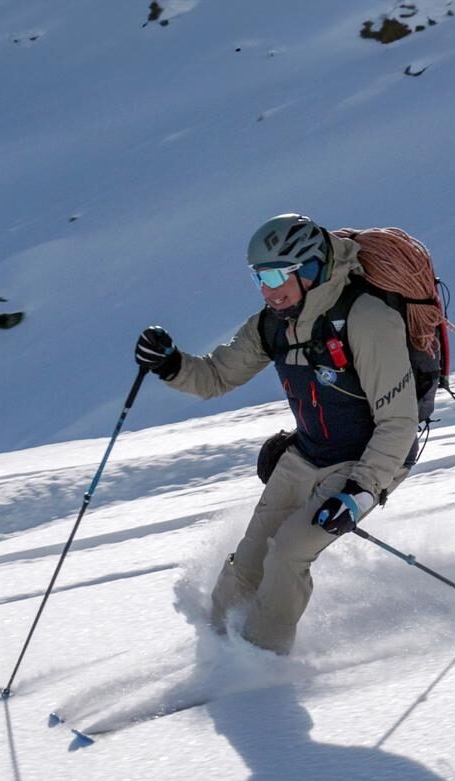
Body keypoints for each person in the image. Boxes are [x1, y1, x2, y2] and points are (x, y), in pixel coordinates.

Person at [134, 214, 418, 655]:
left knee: (288, 552)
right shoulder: (273, 323)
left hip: (366, 464)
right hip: (306, 455)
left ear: (308, 269)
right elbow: (214, 377)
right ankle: (217, 649)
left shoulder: (367, 318)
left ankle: (262, 666)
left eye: (271, 275)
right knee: (250, 558)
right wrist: (170, 363)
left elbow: (399, 423)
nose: (265, 290)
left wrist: (360, 493)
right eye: (257, 278)